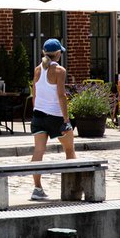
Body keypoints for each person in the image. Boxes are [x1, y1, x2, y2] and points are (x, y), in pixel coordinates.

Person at [28, 39, 75, 201]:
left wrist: (36, 110)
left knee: (38, 151)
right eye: (60, 52)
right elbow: (61, 96)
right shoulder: (60, 70)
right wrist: (66, 119)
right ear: (57, 54)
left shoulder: (37, 70)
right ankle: (72, 187)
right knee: (69, 149)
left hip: (38, 115)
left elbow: (35, 94)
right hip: (55, 116)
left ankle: (37, 188)